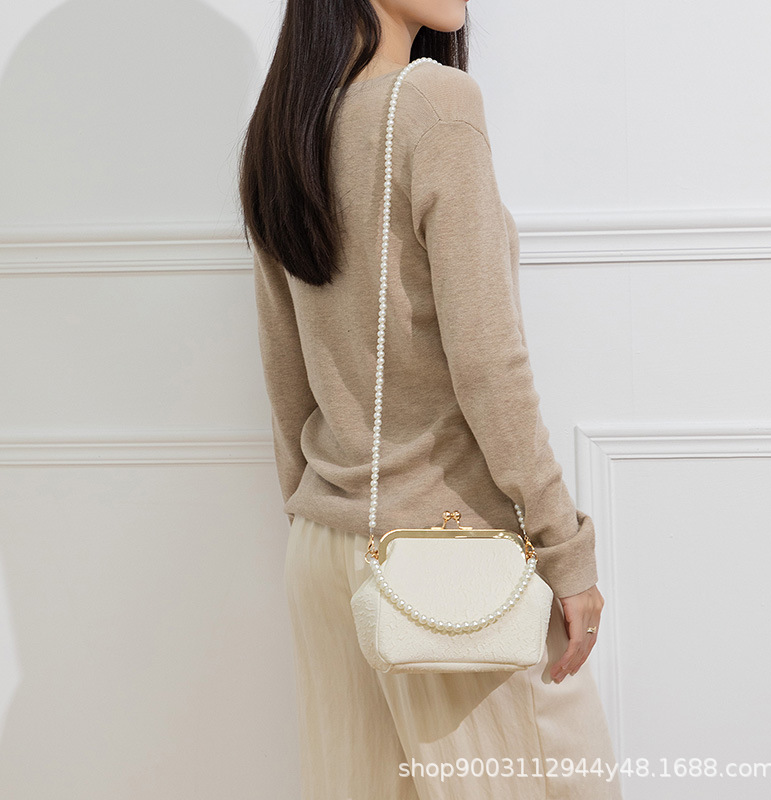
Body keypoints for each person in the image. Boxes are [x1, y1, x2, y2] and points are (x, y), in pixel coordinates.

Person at [239, 2, 622, 798]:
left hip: (326, 554)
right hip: (448, 561)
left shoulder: (281, 133)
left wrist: (327, 515)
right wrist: (564, 547)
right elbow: (489, 366)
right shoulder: (433, 102)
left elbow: (286, 378)